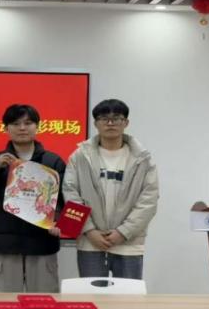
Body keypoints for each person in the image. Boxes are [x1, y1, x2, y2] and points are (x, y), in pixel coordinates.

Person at [0, 104, 66, 292]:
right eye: (16, 123)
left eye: (28, 123)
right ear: (6, 129)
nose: (22, 128)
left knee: (44, 302)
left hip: (42, 245)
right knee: (4, 302)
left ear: (37, 127)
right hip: (6, 247)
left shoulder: (53, 161)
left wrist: (61, 221)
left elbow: (68, 198)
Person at [62, 99, 159, 280]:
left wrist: (123, 232)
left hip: (129, 243)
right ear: (95, 123)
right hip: (90, 242)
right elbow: (70, 193)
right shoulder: (80, 156)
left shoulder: (142, 158)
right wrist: (89, 230)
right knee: (91, 294)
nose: (110, 123)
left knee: (128, 295)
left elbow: (149, 200)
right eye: (104, 118)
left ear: (126, 122)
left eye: (116, 118)